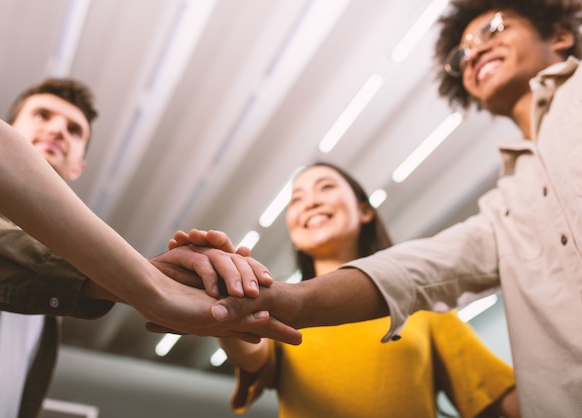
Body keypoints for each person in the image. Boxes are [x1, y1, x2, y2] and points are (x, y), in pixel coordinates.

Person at [177, 1, 582, 416]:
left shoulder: (423, 313)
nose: (474, 53)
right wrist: (228, 300)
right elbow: (424, 268)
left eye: (494, 29)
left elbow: (494, 400)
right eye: (461, 54)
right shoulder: (506, 203)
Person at [0, 80, 300, 417]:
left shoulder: (50, 304)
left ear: (78, 167)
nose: (58, 130)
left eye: (74, 130)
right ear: (7, 131)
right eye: (42, 115)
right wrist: (144, 282)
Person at [217, 162, 519, 418]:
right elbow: (250, 353)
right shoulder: (282, 311)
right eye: (296, 199)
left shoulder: (419, 303)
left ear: (364, 211)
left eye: (325, 188)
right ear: (294, 234)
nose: (310, 202)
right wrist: (222, 300)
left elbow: (494, 395)